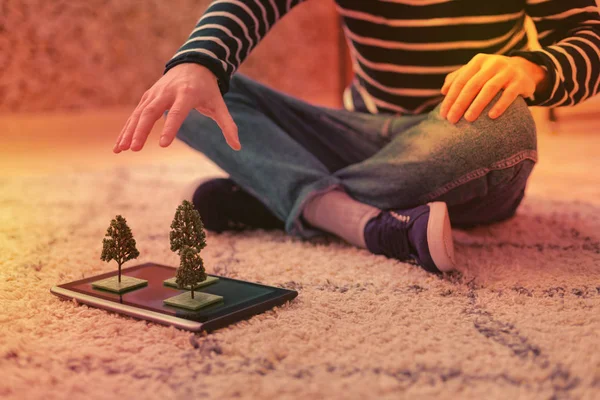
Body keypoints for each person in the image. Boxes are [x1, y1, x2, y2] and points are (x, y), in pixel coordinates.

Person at [113, 0, 600, 273]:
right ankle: (355, 218)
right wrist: (199, 61)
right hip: (362, 132)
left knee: (511, 125)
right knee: (191, 88)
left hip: (463, 147)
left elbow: (589, 35)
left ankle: (281, 198)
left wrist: (531, 69)